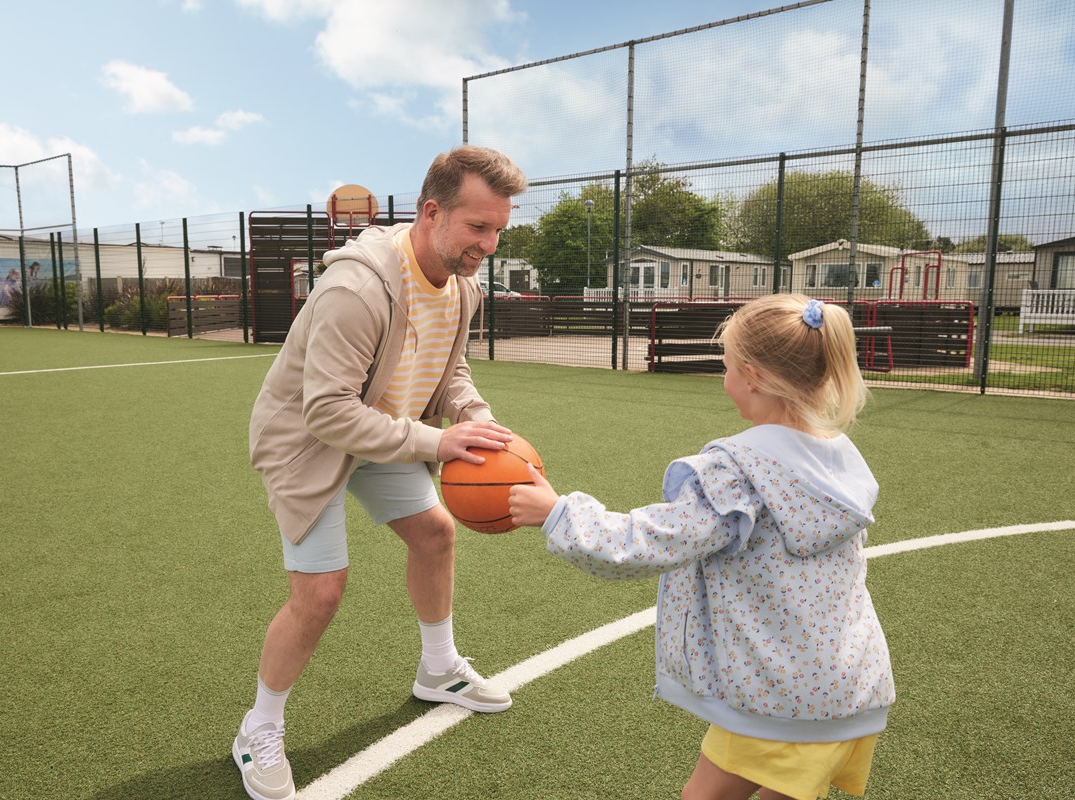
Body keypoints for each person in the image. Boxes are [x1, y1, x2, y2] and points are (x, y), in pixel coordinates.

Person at [509, 294, 895, 800]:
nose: (724, 377)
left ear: (752, 376)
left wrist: (558, 513)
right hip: (850, 687)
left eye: (727, 366)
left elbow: (651, 542)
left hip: (777, 699)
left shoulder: (737, 471)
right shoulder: (839, 462)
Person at [236, 145, 529, 800]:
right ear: (432, 212)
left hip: (383, 427)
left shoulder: (462, 285)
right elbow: (327, 413)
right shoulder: (358, 287)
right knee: (321, 592)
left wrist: (478, 422)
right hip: (308, 440)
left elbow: (451, 372)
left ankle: (439, 670)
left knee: (435, 534)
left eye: (498, 230)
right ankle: (258, 727)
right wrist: (435, 440)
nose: (489, 242)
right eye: (478, 227)